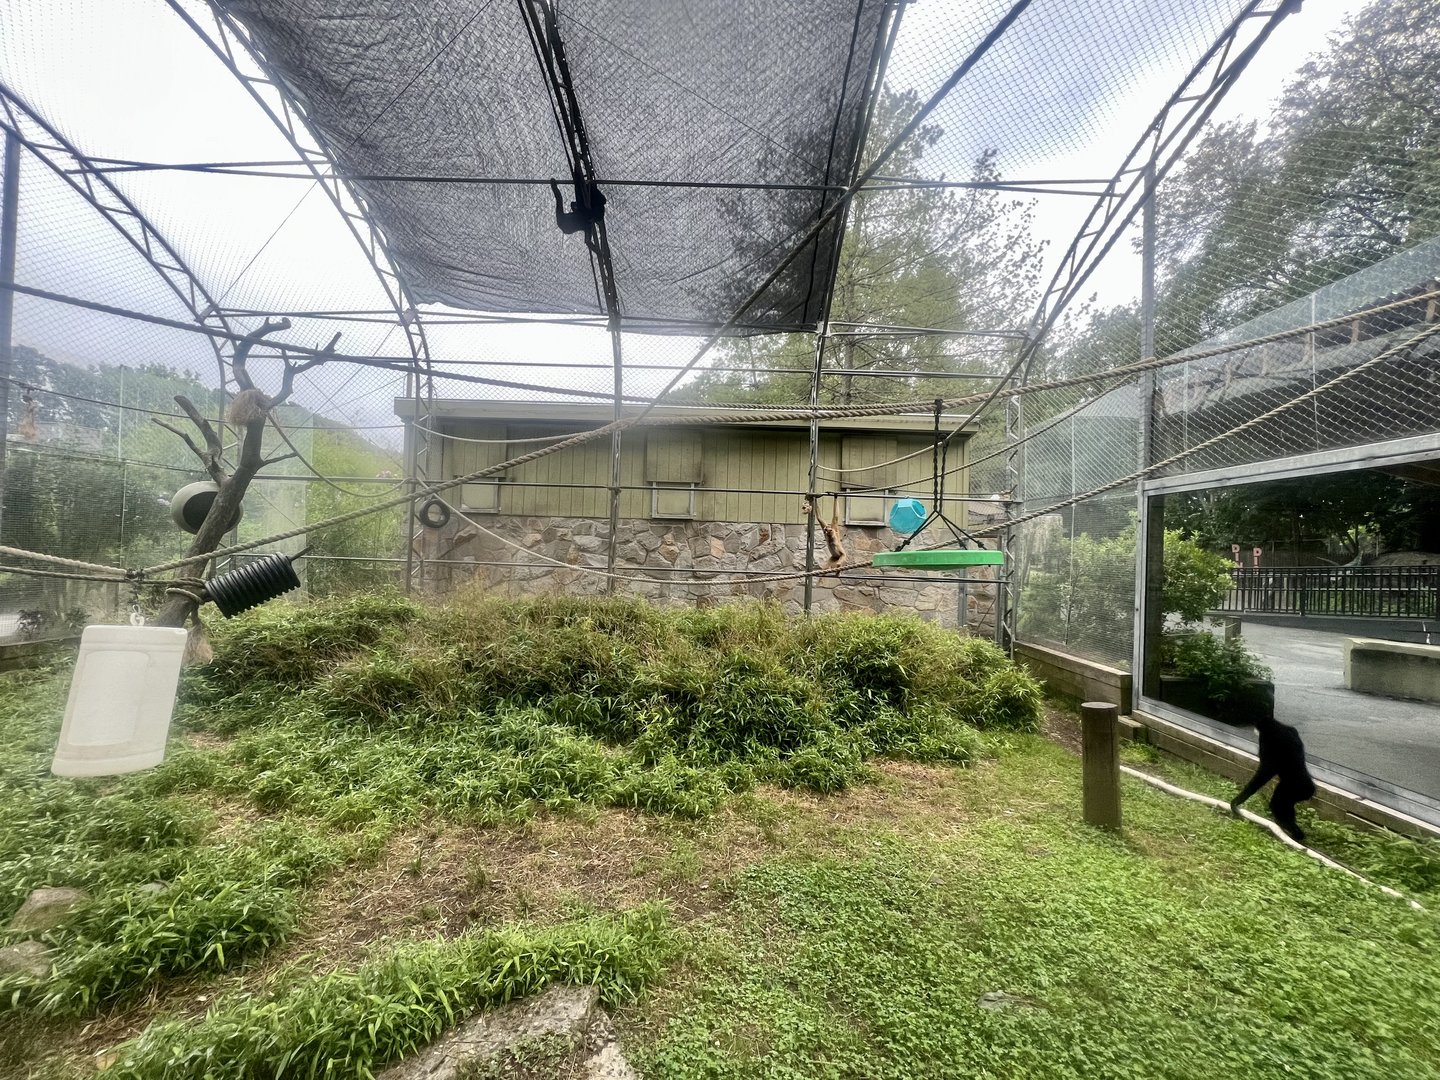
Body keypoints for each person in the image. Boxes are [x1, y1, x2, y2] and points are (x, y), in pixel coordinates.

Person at [1230, 716, 1317, 844]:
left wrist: (1240, 798)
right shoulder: (1289, 731)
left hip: (1294, 784)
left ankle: (1296, 838)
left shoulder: (1271, 740)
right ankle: (1292, 832)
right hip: (1302, 784)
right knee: (1282, 804)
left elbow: (1263, 775)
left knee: (1277, 806)